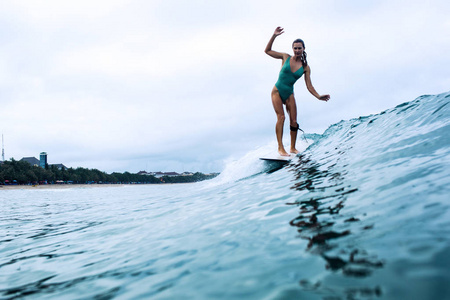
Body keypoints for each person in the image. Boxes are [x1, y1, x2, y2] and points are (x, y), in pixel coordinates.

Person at [265, 26, 330, 156]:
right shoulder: (285, 57)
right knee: (281, 117)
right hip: (277, 91)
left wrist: (318, 96)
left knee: (294, 121)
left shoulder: (306, 67)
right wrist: (274, 36)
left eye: (299, 48)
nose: (297, 50)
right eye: (295, 48)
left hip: (289, 93)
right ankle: (280, 148)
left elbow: (309, 86)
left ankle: (293, 148)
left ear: (303, 49)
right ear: (292, 49)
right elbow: (267, 51)